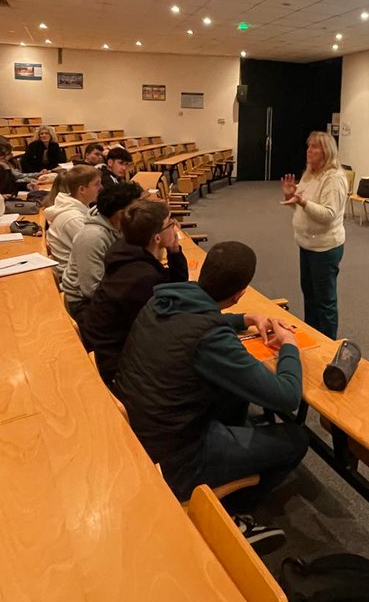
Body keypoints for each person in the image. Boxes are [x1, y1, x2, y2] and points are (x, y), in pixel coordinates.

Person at [114, 241, 308, 502]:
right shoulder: (210, 338)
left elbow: (196, 319)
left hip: (141, 431)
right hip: (176, 459)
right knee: (296, 438)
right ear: (239, 293)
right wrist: (289, 344)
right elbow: (287, 397)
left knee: (233, 392)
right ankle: (233, 511)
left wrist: (246, 319)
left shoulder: (162, 300)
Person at [80, 199, 188, 379]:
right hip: (114, 361)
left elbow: (175, 287)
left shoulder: (124, 249)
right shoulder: (143, 277)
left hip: (104, 344)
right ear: (157, 237)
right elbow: (170, 310)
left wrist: (174, 251)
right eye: (170, 223)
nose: (175, 227)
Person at [280, 131, 349, 338]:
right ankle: (313, 336)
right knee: (309, 296)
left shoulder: (334, 178)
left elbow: (328, 215)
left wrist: (301, 201)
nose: (309, 151)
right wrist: (292, 197)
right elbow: (303, 209)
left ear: (326, 152)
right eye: (308, 146)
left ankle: (327, 343)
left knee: (325, 301)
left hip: (325, 248)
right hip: (307, 245)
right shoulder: (310, 174)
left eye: (315, 147)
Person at [61, 180, 143, 319]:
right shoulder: (92, 237)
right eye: (136, 209)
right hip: (82, 303)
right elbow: (91, 289)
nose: (141, 212)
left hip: (107, 290)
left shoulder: (120, 227)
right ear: (121, 213)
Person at [43, 165, 102, 279]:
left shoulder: (79, 208)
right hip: (73, 279)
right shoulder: (73, 219)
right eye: (97, 184)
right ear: (82, 190)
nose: (101, 187)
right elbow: (95, 250)